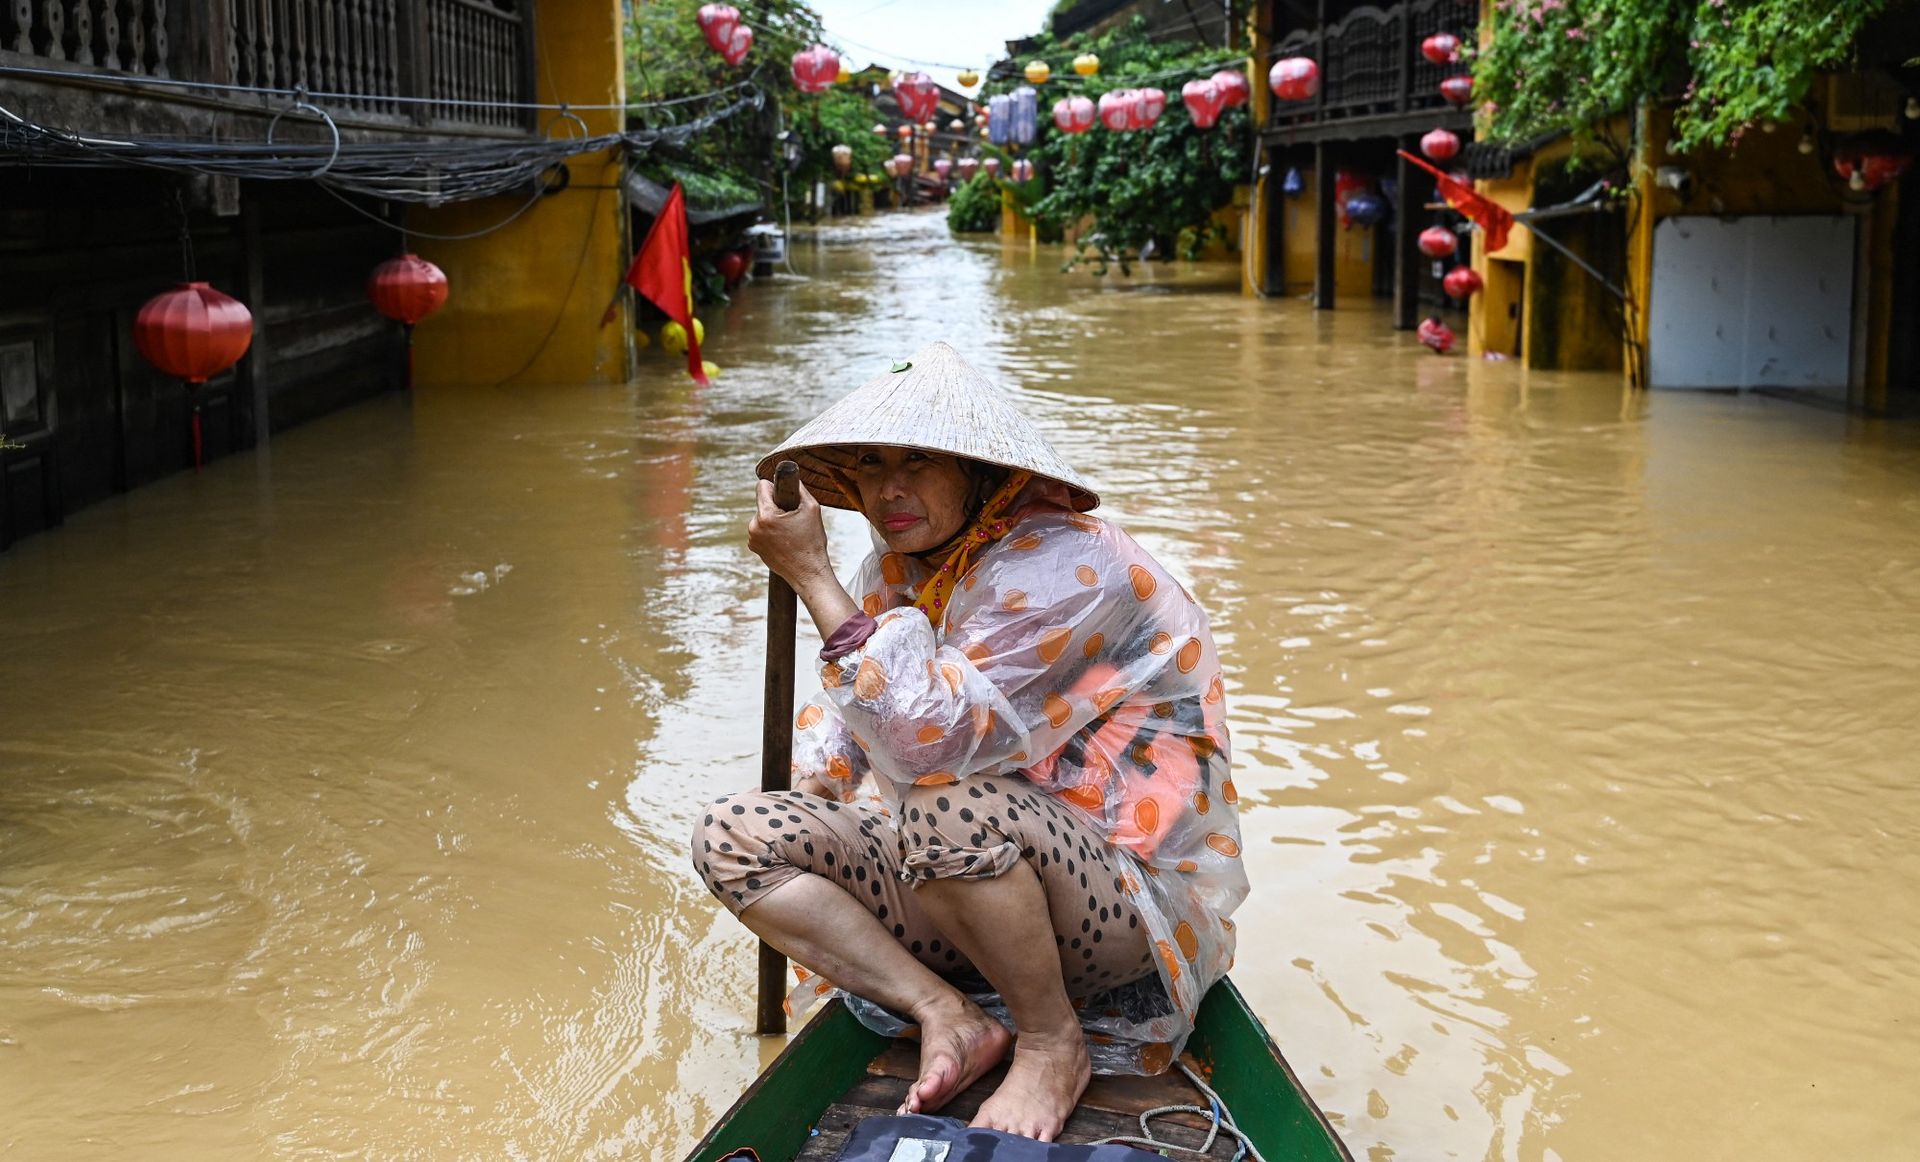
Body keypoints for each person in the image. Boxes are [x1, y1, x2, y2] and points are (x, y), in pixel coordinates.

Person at [691, 341, 1247, 1141]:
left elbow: (927, 743)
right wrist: (811, 800)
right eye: (873, 465)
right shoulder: (903, 564)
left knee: (942, 805)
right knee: (733, 834)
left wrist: (812, 577)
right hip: (974, 872)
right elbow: (845, 732)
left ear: (979, 471)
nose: (891, 489)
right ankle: (945, 1012)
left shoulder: (1068, 562)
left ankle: (1052, 1041)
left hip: (1123, 899)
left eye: (919, 459)